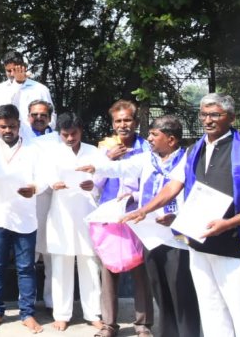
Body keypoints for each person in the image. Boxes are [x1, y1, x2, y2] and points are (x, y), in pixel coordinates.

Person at [123, 94, 240, 337]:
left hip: (233, 246)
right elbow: (174, 186)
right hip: (198, 245)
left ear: (232, 118)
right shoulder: (194, 151)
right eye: (204, 114)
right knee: (211, 309)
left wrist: (231, 223)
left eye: (215, 114)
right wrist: (145, 209)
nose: (208, 120)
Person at [79, 115, 199, 337]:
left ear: (171, 140)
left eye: (155, 134)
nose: (150, 138)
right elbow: (121, 168)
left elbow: (190, 195)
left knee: (180, 292)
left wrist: (176, 215)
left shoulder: (187, 161)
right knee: (160, 291)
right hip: (150, 235)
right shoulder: (148, 159)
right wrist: (95, 167)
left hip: (176, 236)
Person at [0, 104, 44, 333]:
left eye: (12, 126)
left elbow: (44, 178)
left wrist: (35, 188)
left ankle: (27, 314)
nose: (8, 130)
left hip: (25, 217)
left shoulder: (33, 148)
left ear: (19, 125)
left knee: (26, 267)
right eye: (3, 126)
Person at [95, 100, 153, 336]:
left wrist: (136, 196)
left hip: (138, 216)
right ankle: (109, 325)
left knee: (141, 270)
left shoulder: (148, 149)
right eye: (118, 121)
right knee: (109, 270)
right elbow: (94, 183)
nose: (123, 125)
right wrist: (107, 159)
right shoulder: (104, 148)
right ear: (112, 124)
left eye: (127, 120)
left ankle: (143, 325)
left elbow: (152, 184)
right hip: (109, 216)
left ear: (136, 122)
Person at [43, 113, 104, 332]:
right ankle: (61, 313)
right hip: (62, 212)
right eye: (65, 134)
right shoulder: (52, 152)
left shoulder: (93, 152)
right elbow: (45, 177)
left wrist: (93, 186)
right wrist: (54, 183)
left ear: (81, 131)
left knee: (90, 263)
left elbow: (103, 179)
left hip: (87, 212)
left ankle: (93, 312)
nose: (70, 138)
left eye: (74, 134)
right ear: (59, 133)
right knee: (61, 264)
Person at [23, 99, 60, 310]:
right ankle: (26, 304)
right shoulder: (20, 136)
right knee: (27, 256)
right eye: (34, 114)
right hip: (27, 203)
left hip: (51, 202)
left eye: (43, 115)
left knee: (52, 255)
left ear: (50, 118)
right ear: (28, 116)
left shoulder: (58, 139)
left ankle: (53, 303)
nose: (38, 118)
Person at [0, 51, 55, 132]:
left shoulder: (40, 89)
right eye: (9, 71)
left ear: (23, 67)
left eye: (15, 70)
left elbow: (52, 118)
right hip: (6, 140)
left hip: (35, 140)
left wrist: (40, 132)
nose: (12, 74)